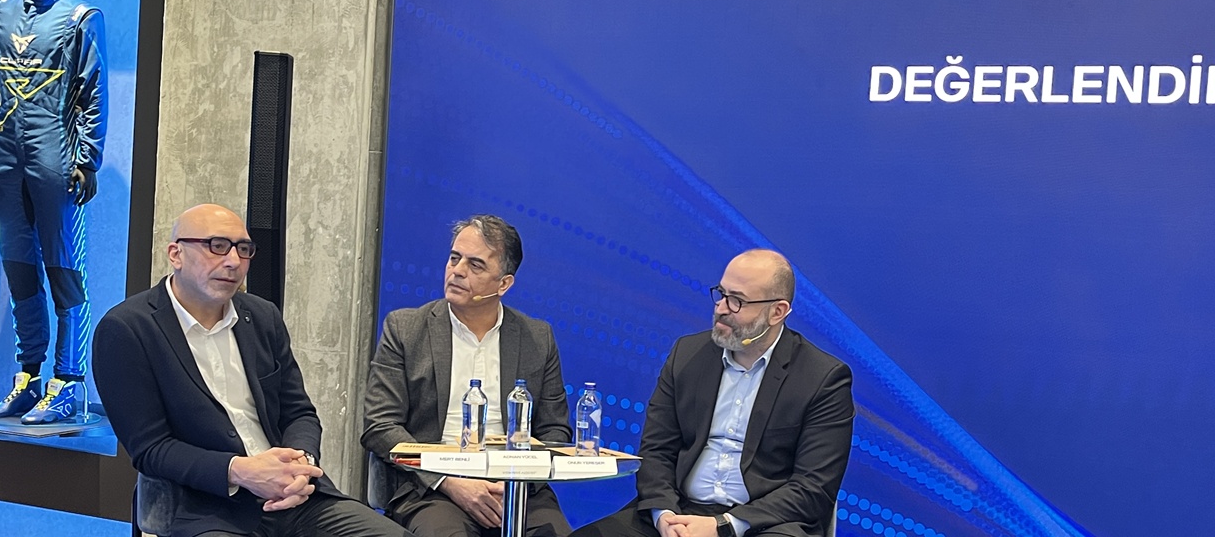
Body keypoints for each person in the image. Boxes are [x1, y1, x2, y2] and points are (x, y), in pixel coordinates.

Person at [92, 204, 409, 537]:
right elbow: (151, 449)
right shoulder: (127, 329)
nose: (233, 261)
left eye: (243, 249)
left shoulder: (262, 316)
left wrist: (300, 464)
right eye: (217, 246)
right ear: (176, 254)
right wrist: (241, 471)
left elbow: (299, 412)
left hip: (296, 499)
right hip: (207, 510)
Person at [572, 249, 854, 537]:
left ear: (777, 312)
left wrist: (723, 526)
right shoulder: (687, 354)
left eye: (737, 301)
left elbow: (813, 487)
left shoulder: (822, 378)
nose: (721, 308)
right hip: (679, 512)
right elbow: (656, 451)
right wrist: (664, 515)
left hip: (764, 523)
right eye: (721, 294)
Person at [361, 215, 573, 537]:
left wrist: (516, 482)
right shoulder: (405, 329)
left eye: (475, 265)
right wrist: (448, 481)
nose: (457, 271)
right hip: (431, 489)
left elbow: (555, 429)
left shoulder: (537, 338)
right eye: (454, 258)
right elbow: (380, 426)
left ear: (503, 284)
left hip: (516, 488)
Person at [0, 0, 107, 424]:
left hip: (55, 157)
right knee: (18, 269)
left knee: (64, 270)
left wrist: (87, 160)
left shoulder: (80, 17)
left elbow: (93, 89)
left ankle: (68, 382)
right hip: (4, 156)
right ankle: (28, 376)